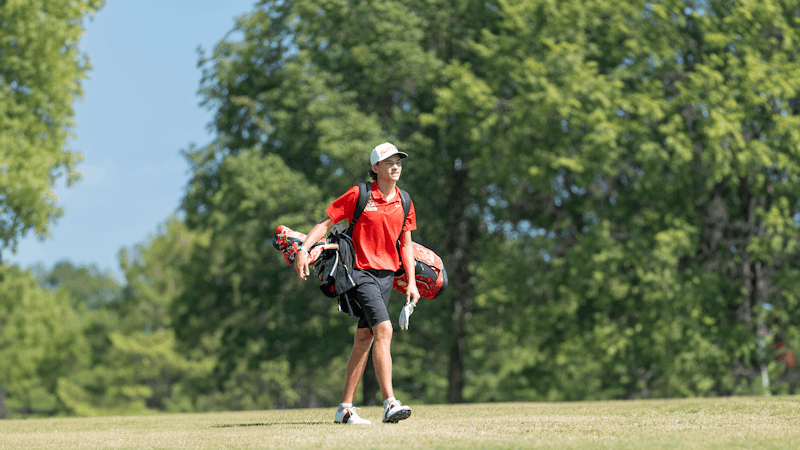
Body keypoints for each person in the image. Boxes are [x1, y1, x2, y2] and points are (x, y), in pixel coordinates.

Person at [294, 142, 421, 424]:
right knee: (384, 330)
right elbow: (326, 224)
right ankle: (390, 402)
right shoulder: (359, 194)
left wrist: (411, 283)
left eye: (398, 161)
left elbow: (406, 244)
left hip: (387, 275)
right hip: (360, 272)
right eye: (388, 162)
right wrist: (304, 249)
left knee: (365, 339)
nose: (395, 166)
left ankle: (345, 409)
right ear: (375, 168)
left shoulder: (406, 201)